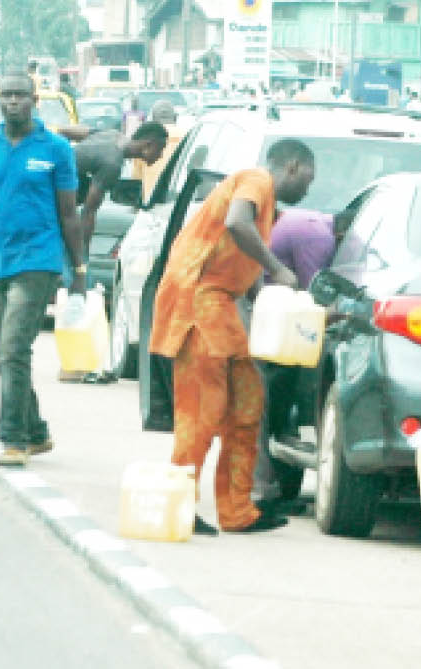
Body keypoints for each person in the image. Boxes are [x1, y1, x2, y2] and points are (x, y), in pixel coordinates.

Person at [148, 139, 316, 535]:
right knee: (201, 412)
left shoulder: (270, 210)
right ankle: (180, 507)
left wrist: (274, 300)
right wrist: (279, 269)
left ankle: (238, 510)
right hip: (198, 300)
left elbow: (247, 261)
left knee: (247, 405)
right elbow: (236, 222)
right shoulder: (256, 179)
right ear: (292, 166)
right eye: (308, 177)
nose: (309, 189)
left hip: (223, 307)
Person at [0, 72, 84, 468]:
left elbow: (69, 212)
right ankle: (38, 431)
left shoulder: (56, 149)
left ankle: (14, 439)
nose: (13, 102)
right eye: (6, 96)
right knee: (4, 353)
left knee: (15, 348)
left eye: (20, 96)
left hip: (38, 260)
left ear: (34, 100)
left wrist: (78, 269)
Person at [252, 208, 355, 514]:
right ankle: (265, 491)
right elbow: (314, 298)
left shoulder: (315, 224)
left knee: (273, 404)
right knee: (271, 404)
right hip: (273, 324)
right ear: (343, 238)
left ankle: (271, 489)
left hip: (271, 317)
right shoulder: (319, 238)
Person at [74, 122, 167, 243]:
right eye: (160, 149)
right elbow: (88, 212)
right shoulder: (113, 165)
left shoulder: (112, 134)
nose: (161, 156)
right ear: (148, 145)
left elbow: (63, 131)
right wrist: (82, 257)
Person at [134, 99, 183, 202]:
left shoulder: (144, 139)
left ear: (153, 118)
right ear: (175, 118)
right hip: (181, 205)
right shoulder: (189, 137)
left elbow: (137, 181)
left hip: (152, 203)